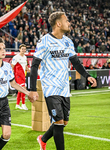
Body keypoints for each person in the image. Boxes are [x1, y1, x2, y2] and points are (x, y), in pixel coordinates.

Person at [28, 12, 97, 150]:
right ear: (58, 24)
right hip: (51, 87)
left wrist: (87, 75)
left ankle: (43, 139)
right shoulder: (44, 41)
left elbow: (75, 62)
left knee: (63, 122)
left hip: (65, 87)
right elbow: (34, 65)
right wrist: (33, 89)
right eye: (66, 21)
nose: (69, 23)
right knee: (58, 122)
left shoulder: (68, 41)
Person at [11, 44, 30, 110]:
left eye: (24, 49)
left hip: (23, 75)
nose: (23, 50)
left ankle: (17, 104)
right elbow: (12, 66)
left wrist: (29, 70)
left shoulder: (25, 57)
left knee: (20, 89)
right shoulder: (16, 57)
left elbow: (25, 66)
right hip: (18, 75)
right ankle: (23, 104)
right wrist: (11, 74)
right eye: (22, 49)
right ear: (19, 49)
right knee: (23, 88)